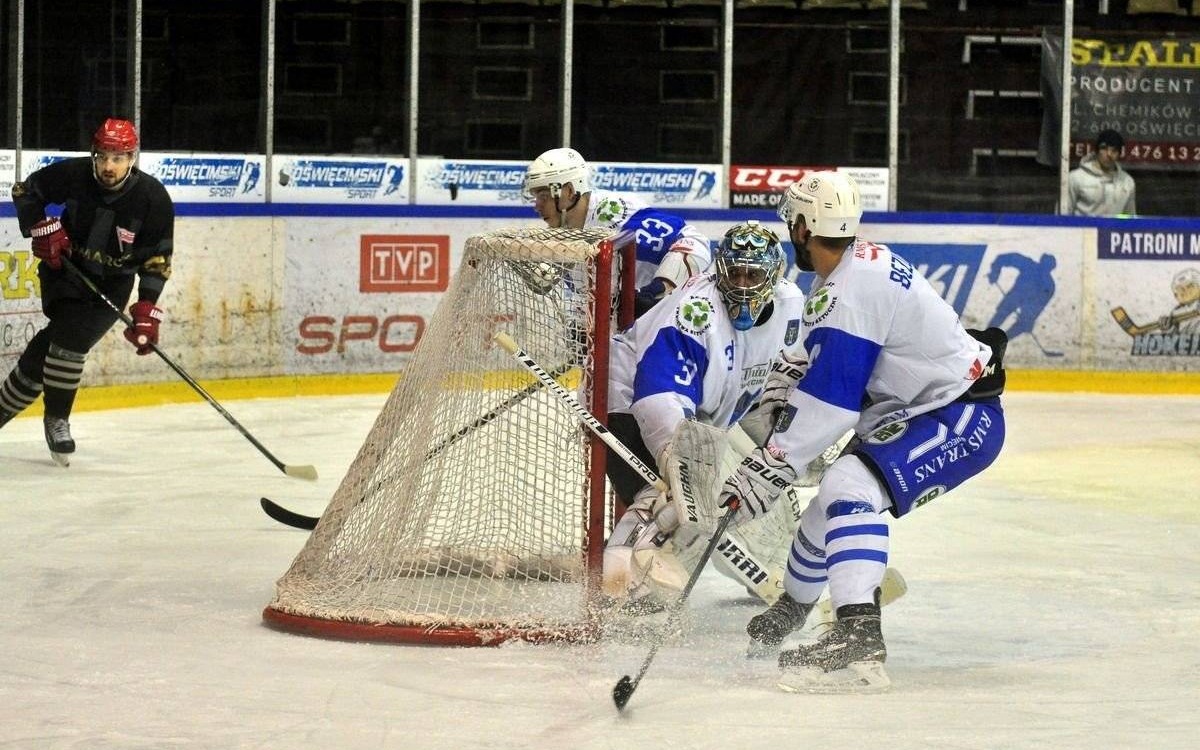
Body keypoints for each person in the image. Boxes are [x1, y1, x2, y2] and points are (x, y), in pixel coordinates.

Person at [717, 171, 1007, 690]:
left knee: (849, 488)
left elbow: (832, 404)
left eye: (792, 222)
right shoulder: (850, 273)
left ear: (805, 227)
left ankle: (858, 633)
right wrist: (791, 372)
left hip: (959, 416)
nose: (790, 230)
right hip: (922, 410)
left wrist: (772, 464)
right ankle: (794, 608)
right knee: (833, 494)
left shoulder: (850, 290)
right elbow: (819, 356)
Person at [599, 220, 812, 609]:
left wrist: (791, 429)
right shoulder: (695, 313)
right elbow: (658, 394)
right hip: (622, 397)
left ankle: (772, 569)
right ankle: (622, 587)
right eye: (736, 274)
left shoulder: (791, 304)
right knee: (663, 499)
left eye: (754, 275)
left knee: (743, 497)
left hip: (705, 414)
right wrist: (679, 459)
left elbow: (777, 373)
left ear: (775, 276)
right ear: (720, 271)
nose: (744, 285)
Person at [0, 118, 175, 465]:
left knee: (61, 341)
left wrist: (146, 309)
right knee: (68, 337)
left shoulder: (153, 199)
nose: (109, 166)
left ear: (132, 158)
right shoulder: (74, 174)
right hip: (64, 271)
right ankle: (57, 419)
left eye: (119, 158)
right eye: (103, 157)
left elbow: (156, 260)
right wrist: (41, 227)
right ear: (94, 154)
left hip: (113, 284)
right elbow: (25, 191)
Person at [522, 147, 712, 316]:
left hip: (672, 320)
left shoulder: (612, 215)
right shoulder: (564, 232)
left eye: (544, 196)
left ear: (570, 191)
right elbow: (586, 296)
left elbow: (694, 242)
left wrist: (657, 291)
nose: (537, 206)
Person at [1066, 129, 1136, 217]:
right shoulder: (1075, 178)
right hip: (1082, 230)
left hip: (1112, 230)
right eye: (1104, 149)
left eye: (1114, 150)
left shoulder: (1127, 182)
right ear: (1097, 151)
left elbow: (1129, 218)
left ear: (1119, 154)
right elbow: (1063, 216)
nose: (1109, 154)